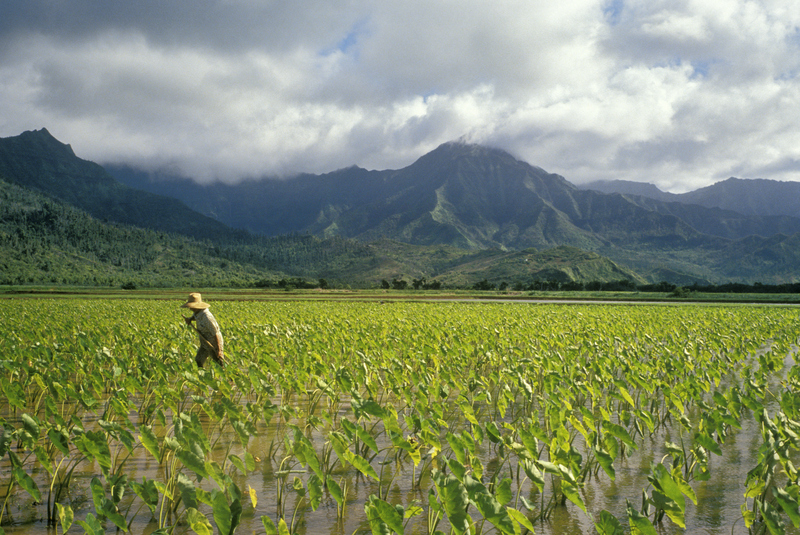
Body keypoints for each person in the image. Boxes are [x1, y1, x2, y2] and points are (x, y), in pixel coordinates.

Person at [181, 292, 225, 368]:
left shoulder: (207, 317)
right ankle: (202, 376)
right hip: (205, 342)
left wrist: (219, 350)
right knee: (198, 360)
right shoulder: (198, 312)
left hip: (213, 343)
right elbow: (196, 317)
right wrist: (190, 319)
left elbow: (216, 333)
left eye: (191, 306)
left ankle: (229, 379)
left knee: (219, 364)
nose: (190, 308)